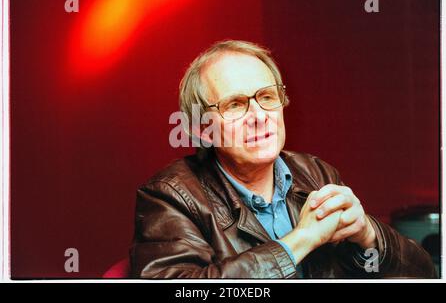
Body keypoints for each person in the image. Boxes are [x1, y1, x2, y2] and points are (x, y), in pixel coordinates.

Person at [130, 40, 436, 278]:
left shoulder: (316, 172)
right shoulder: (169, 195)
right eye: (235, 105)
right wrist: (300, 239)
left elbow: (424, 274)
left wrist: (369, 234)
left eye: (266, 97)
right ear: (203, 130)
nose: (259, 117)